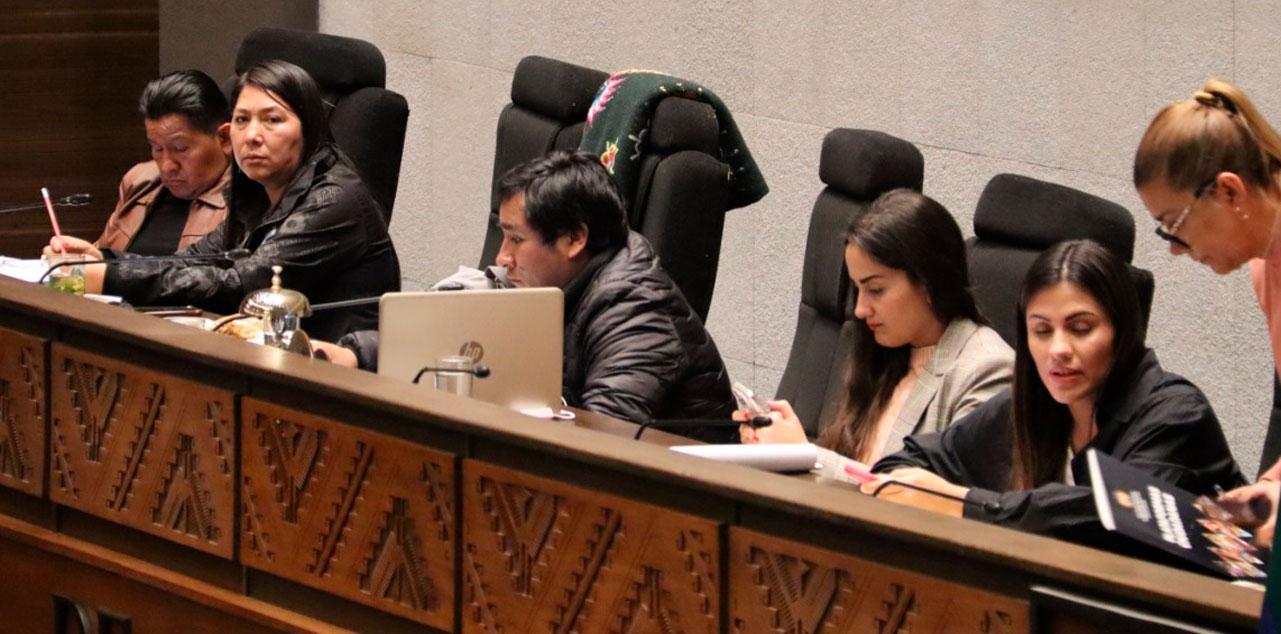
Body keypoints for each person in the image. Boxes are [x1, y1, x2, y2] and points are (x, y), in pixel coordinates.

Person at [323, 150, 735, 430]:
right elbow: (459, 342)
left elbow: (602, 441)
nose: (502, 257)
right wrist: (354, 354)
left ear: (574, 239)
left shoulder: (638, 311)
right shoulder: (556, 283)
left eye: (516, 240)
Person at [871, 240, 1246, 541]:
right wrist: (911, 487)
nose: (1059, 350)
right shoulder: (1028, 408)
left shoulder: (1177, 414)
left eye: (1081, 329)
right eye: (1042, 331)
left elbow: (1110, 518)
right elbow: (904, 464)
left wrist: (960, 501)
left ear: (1121, 332)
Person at [46, 60, 400, 342]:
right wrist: (103, 260)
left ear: (309, 128)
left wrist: (107, 279)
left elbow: (242, 287)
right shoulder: (257, 195)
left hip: (337, 375)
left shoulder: (334, 200)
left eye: (272, 120)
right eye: (242, 120)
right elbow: (191, 261)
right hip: (269, 360)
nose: (252, 136)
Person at [738, 189, 1012, 474]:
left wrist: (805, 456)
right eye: (858, 290)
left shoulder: (988, 369)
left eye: (876, 290)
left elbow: (935, 500)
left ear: (929, 282)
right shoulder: (888, 351)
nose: (859, 310)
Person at [1133, 78, 1281, 546]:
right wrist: (1269, 489)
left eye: (1173, 226)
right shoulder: (1264, 267)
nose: (1176, 251)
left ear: (1230, 192)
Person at [97, 70, 232, 255]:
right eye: (157, 148)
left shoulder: (246, 203)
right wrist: (81, 260)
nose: (167, 166)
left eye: (180, 148)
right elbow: (103, 256)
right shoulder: (139, 182)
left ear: (224, 138)